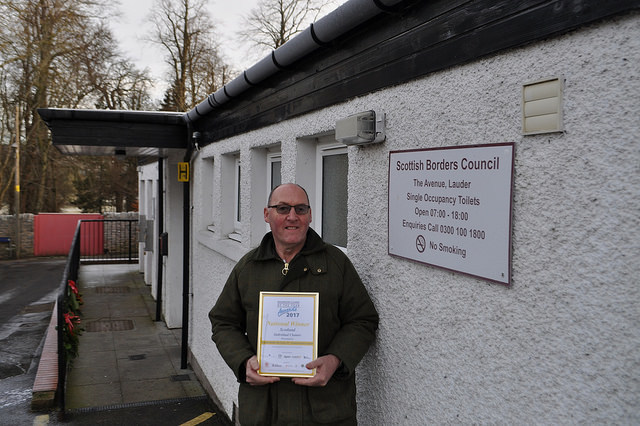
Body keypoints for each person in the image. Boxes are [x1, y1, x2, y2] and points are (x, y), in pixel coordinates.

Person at [209, 183, 379, 425]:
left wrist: (335, 359)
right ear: (267, 215)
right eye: (282, 208)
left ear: (310, 215)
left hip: (325, 409)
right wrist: (243, 361)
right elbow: (223, 322)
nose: (292, 217)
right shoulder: (248, 268)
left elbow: (363, 320)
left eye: (300, 209)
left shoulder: (336, 264)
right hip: (263, 410)